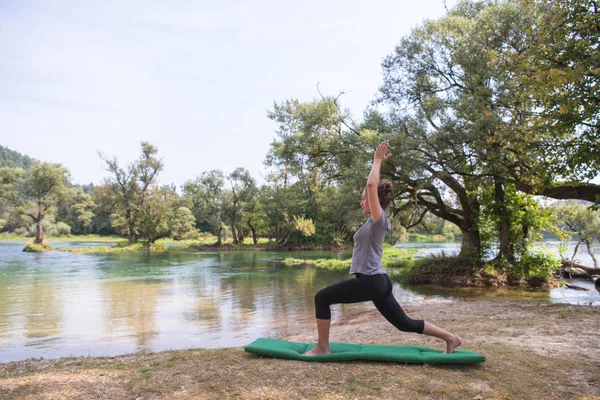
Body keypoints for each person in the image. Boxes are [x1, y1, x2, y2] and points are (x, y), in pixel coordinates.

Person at [303, 141, 463, 356]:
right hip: (378, 281)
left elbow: (371, 186)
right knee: (404, 323)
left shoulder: (379, 221)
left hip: (371, 281)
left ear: (374, 201)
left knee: (321, 297)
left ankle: (323, 347)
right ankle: (452, 338)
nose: (361, 202)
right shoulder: (371, 223)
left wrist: (377, 161)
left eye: (364, 199)